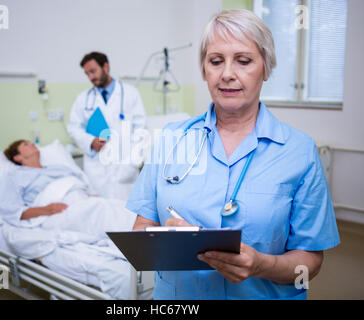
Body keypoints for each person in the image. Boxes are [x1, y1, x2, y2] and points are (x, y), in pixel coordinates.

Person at [126, 9, 340, 300]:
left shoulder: (300, 152)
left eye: (243, 60)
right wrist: (164, 240)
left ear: (266, 67)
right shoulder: (170, 140)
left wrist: (263, 265)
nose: (227, 74)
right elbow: (141, 231)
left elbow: (310, 263)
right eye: (216, 61)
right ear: (204, 69)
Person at [0, 140, 136, 238]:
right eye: (26, 144)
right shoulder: (15, 176)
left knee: (119, 205)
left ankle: (148, 230)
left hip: (81, 200)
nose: (32, 144)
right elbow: (11, 212)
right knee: (100, 208)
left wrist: (88, 195)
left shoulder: (59, 168)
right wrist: (46, 209)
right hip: (57, 211)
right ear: (17, 157)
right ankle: (141, 235)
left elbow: (79, 185)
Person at [67, 51, 147, 200]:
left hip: (125, 166)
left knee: (126, 217)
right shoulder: (83, 99)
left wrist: (133, 162)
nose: (91, 77)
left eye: (93, 71)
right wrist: (90, 141)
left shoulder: (130, 93)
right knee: (101, 216)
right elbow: (73, 127)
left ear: (106, 66)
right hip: (97, 170)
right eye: (87, 74)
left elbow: (141, 129)